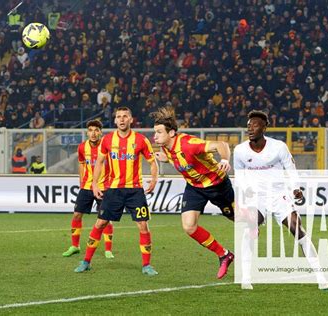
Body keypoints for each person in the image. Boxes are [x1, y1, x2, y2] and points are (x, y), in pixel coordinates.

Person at [234, 110, 328, 291]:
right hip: (256, 197)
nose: (250, 128)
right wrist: (245, 190)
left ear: (264, 127)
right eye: (248, 125)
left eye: (255, 125)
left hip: (279, 195)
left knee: (297, 228)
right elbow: (239, 176)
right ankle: (246, 278)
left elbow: (291, 169)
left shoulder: (278, 147)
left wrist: (296, 188)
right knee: (249, 227)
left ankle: (320, 276)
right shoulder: (239, 150)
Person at [150, 106, 235, 279]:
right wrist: (166, 159)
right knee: (189, 226)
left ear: (172, 133)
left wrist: (225, 159)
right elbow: (176, 158)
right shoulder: (166, 146)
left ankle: (253, 219)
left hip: (217, 184)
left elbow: (222, 144)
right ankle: (224, 254)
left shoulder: (189, 144)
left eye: (159, 132)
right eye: (155, 132)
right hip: (195, 187)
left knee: (236, 217)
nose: (155, 136)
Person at [74, 107, 159, 276]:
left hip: (135, 190)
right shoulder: (107, 140)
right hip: (113, 190)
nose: (121, 119)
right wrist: (95, 184)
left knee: (143, 226)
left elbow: (152, 161)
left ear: (131, 119)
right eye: (118, 117)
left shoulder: (141, 140)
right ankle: (86, 261)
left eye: (125, 116)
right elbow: (99, 162)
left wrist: (154, 179)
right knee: (100, 223)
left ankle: (147, 265)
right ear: (115, 121)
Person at [63, 120, 115, 259]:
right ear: (87, 132)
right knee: (76, 215)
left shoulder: (107, 146)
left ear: (100, 132)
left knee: (105, 219)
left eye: (96, 130)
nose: (93, 133)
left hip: (103, 187)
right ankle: (75, 246)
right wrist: (81, 181)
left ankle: (108, 250)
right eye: (90, 130)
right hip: (86, 187)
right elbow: (81, 164)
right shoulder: (81, 147)